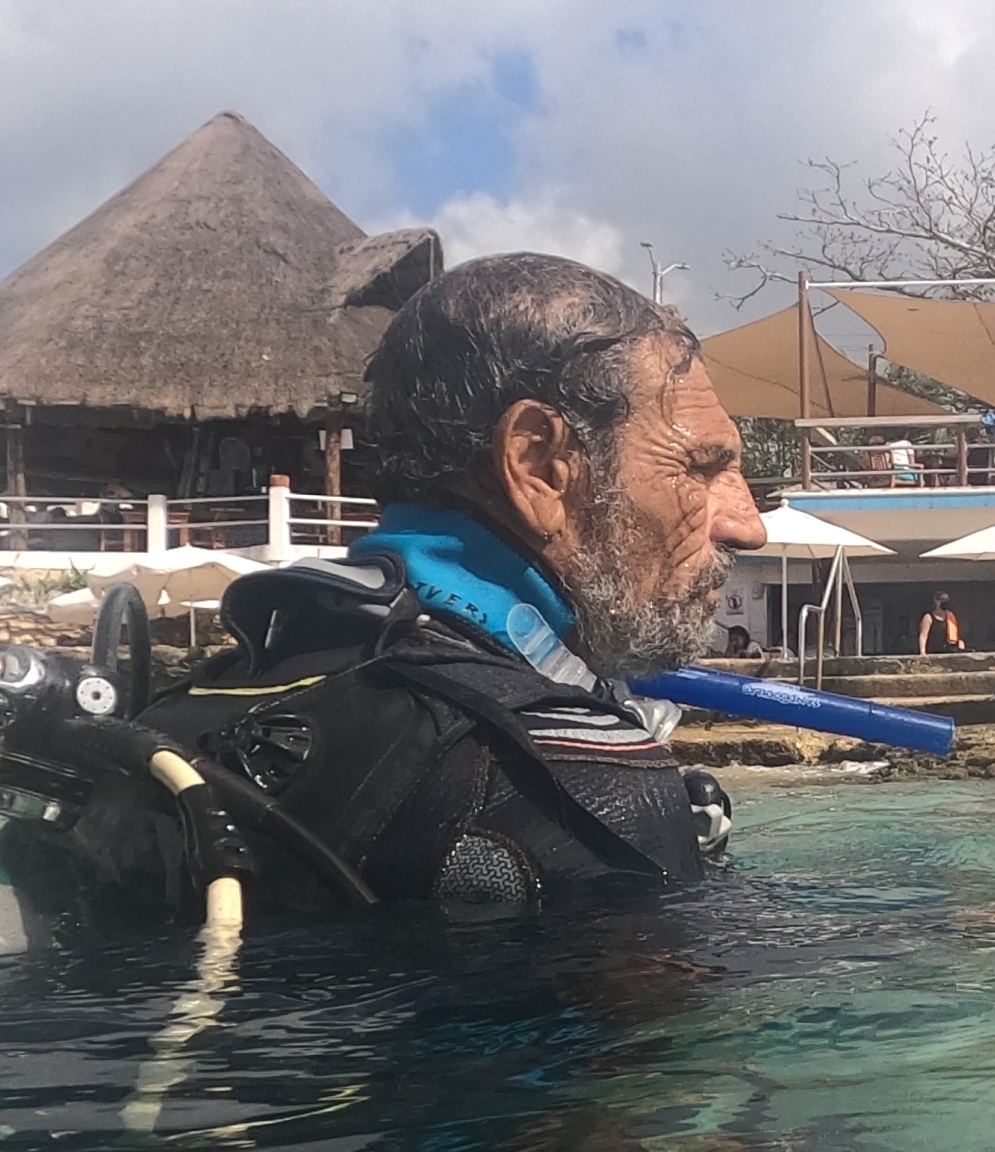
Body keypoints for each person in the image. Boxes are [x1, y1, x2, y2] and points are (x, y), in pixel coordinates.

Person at [3, 252, 769, 926]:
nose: (747, 525)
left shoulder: (212, 701)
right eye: (700, 468)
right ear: (539, 464)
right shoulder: (572, 780)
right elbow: (657, 1082)